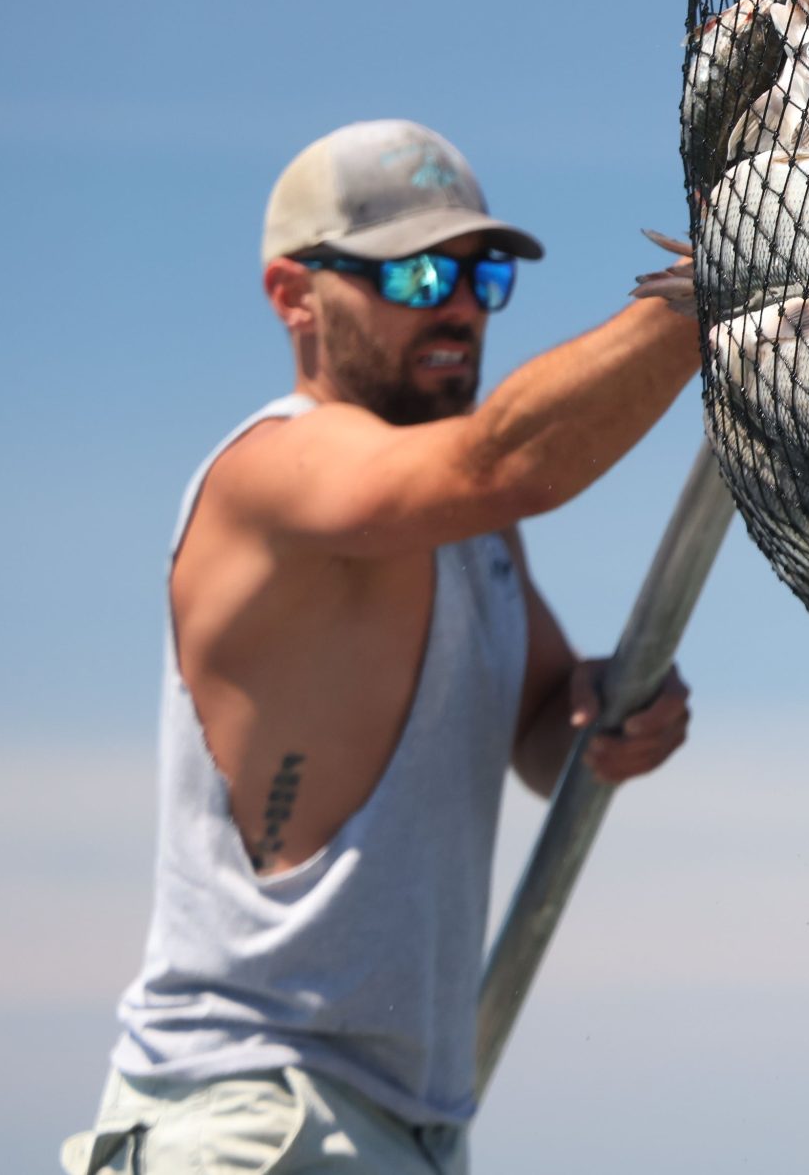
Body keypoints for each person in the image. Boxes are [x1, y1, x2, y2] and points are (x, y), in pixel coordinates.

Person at [64, 120, 703, 1175]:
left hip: (397, 1126)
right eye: (412, 274)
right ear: (293, 295)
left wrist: (608, 710)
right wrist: (720, 291)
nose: (456, 305)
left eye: (479, 274)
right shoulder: (275, 475)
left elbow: (546, 728)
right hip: (248, 1113)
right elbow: (508, 461)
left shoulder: (468, 526)